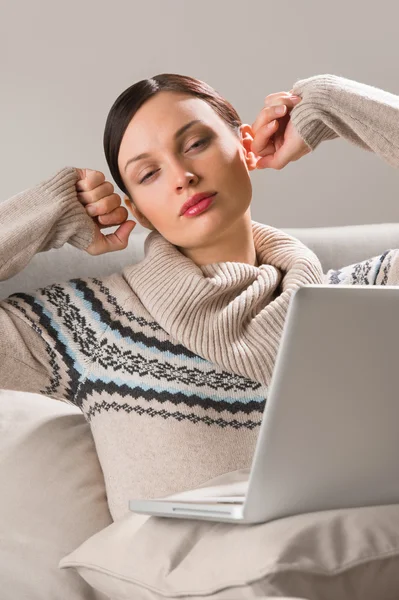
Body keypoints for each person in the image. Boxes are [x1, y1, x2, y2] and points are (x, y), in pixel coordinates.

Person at [1, 73, 398, 522]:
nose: (183, 177)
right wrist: (46, 210)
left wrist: (331, 103)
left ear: (246, 146)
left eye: (195, 144)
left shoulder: (365, 300)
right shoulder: (88, 325)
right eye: (149, 174)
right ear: (137, 210)